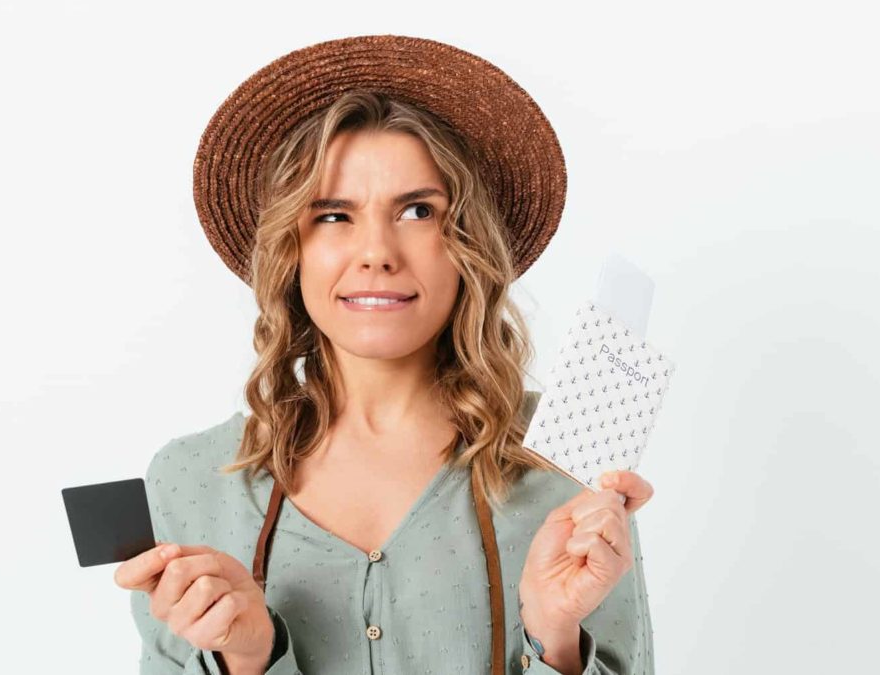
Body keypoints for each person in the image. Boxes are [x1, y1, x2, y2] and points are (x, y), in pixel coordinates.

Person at [114, 35, 656, 675]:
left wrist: (554, 637)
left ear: (467, 246)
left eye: (418, 211)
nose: (376, 252)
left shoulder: (569, 457)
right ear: (291, 251)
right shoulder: (190, 479)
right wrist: (247, 659)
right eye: (333, 216)